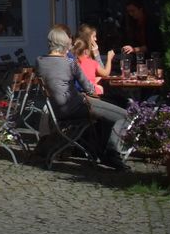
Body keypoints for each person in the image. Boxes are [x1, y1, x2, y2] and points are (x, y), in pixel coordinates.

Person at [37, 24, 128, 171]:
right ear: (65, 43)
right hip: (77, 107)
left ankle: (100, 151)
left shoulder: (40, 61)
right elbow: (89, 88)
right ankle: (112, 153)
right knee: (123, 115)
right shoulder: (69, 63)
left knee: (104, 115)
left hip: (57, 110)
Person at [73, 24, 115, 97]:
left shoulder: (80, 55)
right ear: (87, 38)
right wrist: (109, 59)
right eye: (94, 36)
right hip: (89, 92)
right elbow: (104, 73)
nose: (96, 39)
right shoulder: (84, 57)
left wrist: (96, 54)